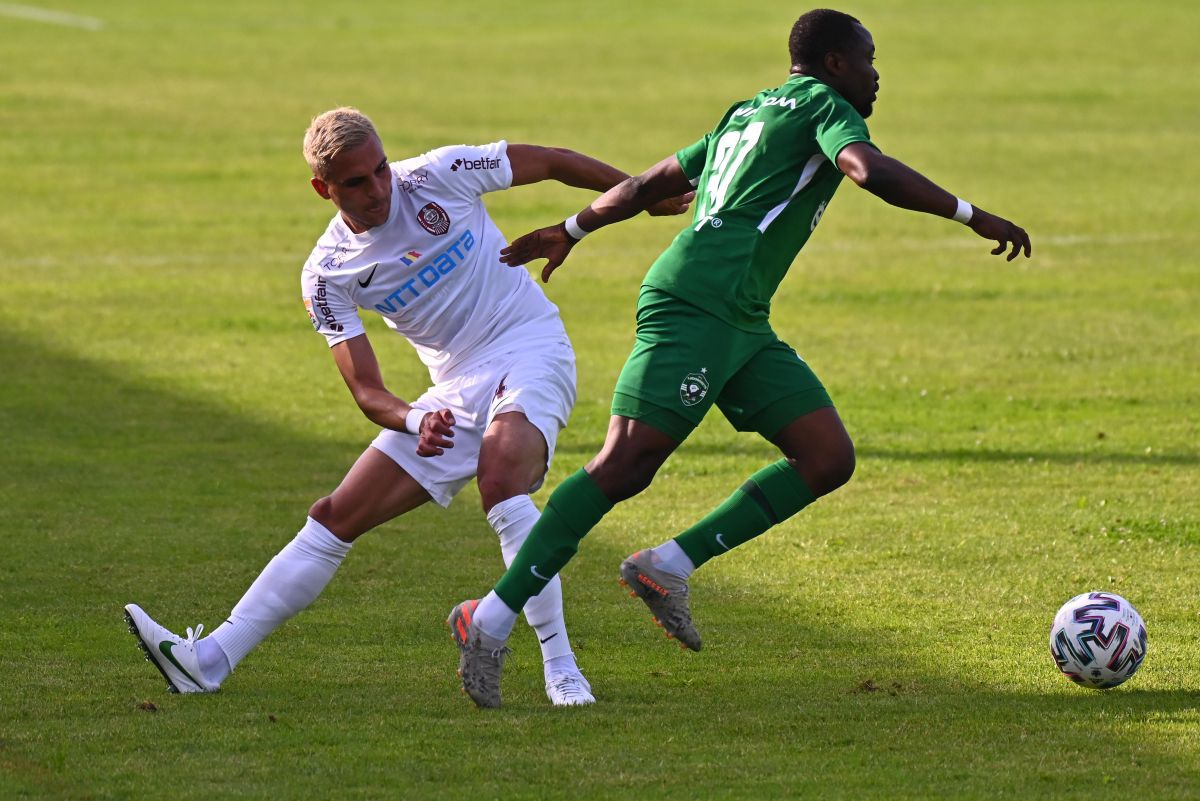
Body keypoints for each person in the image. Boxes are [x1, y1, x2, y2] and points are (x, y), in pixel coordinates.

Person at [446, 8, 1032, 708]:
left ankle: (667, 564)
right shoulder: (823, 104)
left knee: (825, 457)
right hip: (696, 302)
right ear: (837, 62)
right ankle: (490, 617)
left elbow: (648, 183)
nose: (878, 76)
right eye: (870, 60)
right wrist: (973, 214)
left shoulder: (747, 111)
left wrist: (573, 227)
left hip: (741, 318)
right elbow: (865, 170)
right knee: (623, 463)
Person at [124, 107, 691, 707]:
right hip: (452, 389)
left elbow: (550, 161)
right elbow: (366, 390)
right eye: (355, 183)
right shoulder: (328, 273)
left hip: (528, 345)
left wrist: (637, 194)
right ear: (323, 189)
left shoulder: (439, 174)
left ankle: (562, 668)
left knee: (501, 482)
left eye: (379, 170)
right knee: (335, 515)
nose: (377, 190)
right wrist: (418, 419)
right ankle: (208, 659)